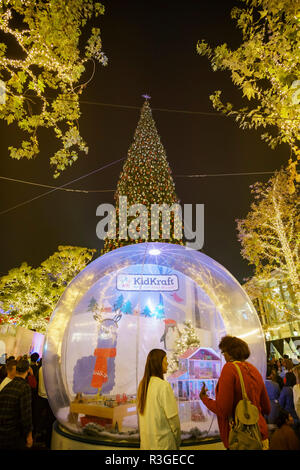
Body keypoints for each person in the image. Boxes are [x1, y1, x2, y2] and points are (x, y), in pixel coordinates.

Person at [199, 335, 271, 450]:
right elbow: (267, 408)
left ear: (230, 353)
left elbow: (223, 410)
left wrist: (204, 399)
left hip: (242, 439)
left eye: (224, 352)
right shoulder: (253, 369)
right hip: (261, 435)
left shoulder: (229, 369)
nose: (224, 356)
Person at [137, 349, 181, 450]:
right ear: (158, 362)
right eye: (165, 359)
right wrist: (178, 442)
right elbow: (174, 421)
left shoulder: (142, 385)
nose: (167, 363)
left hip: (146, 445)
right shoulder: (163, 386)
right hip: (164, 445)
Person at [0, 358, 33, 449]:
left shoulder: (7, 385)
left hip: (3, 432)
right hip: (14, 434)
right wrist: (29, 435)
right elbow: (26, 414)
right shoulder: (25, 387)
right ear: (27, 371)